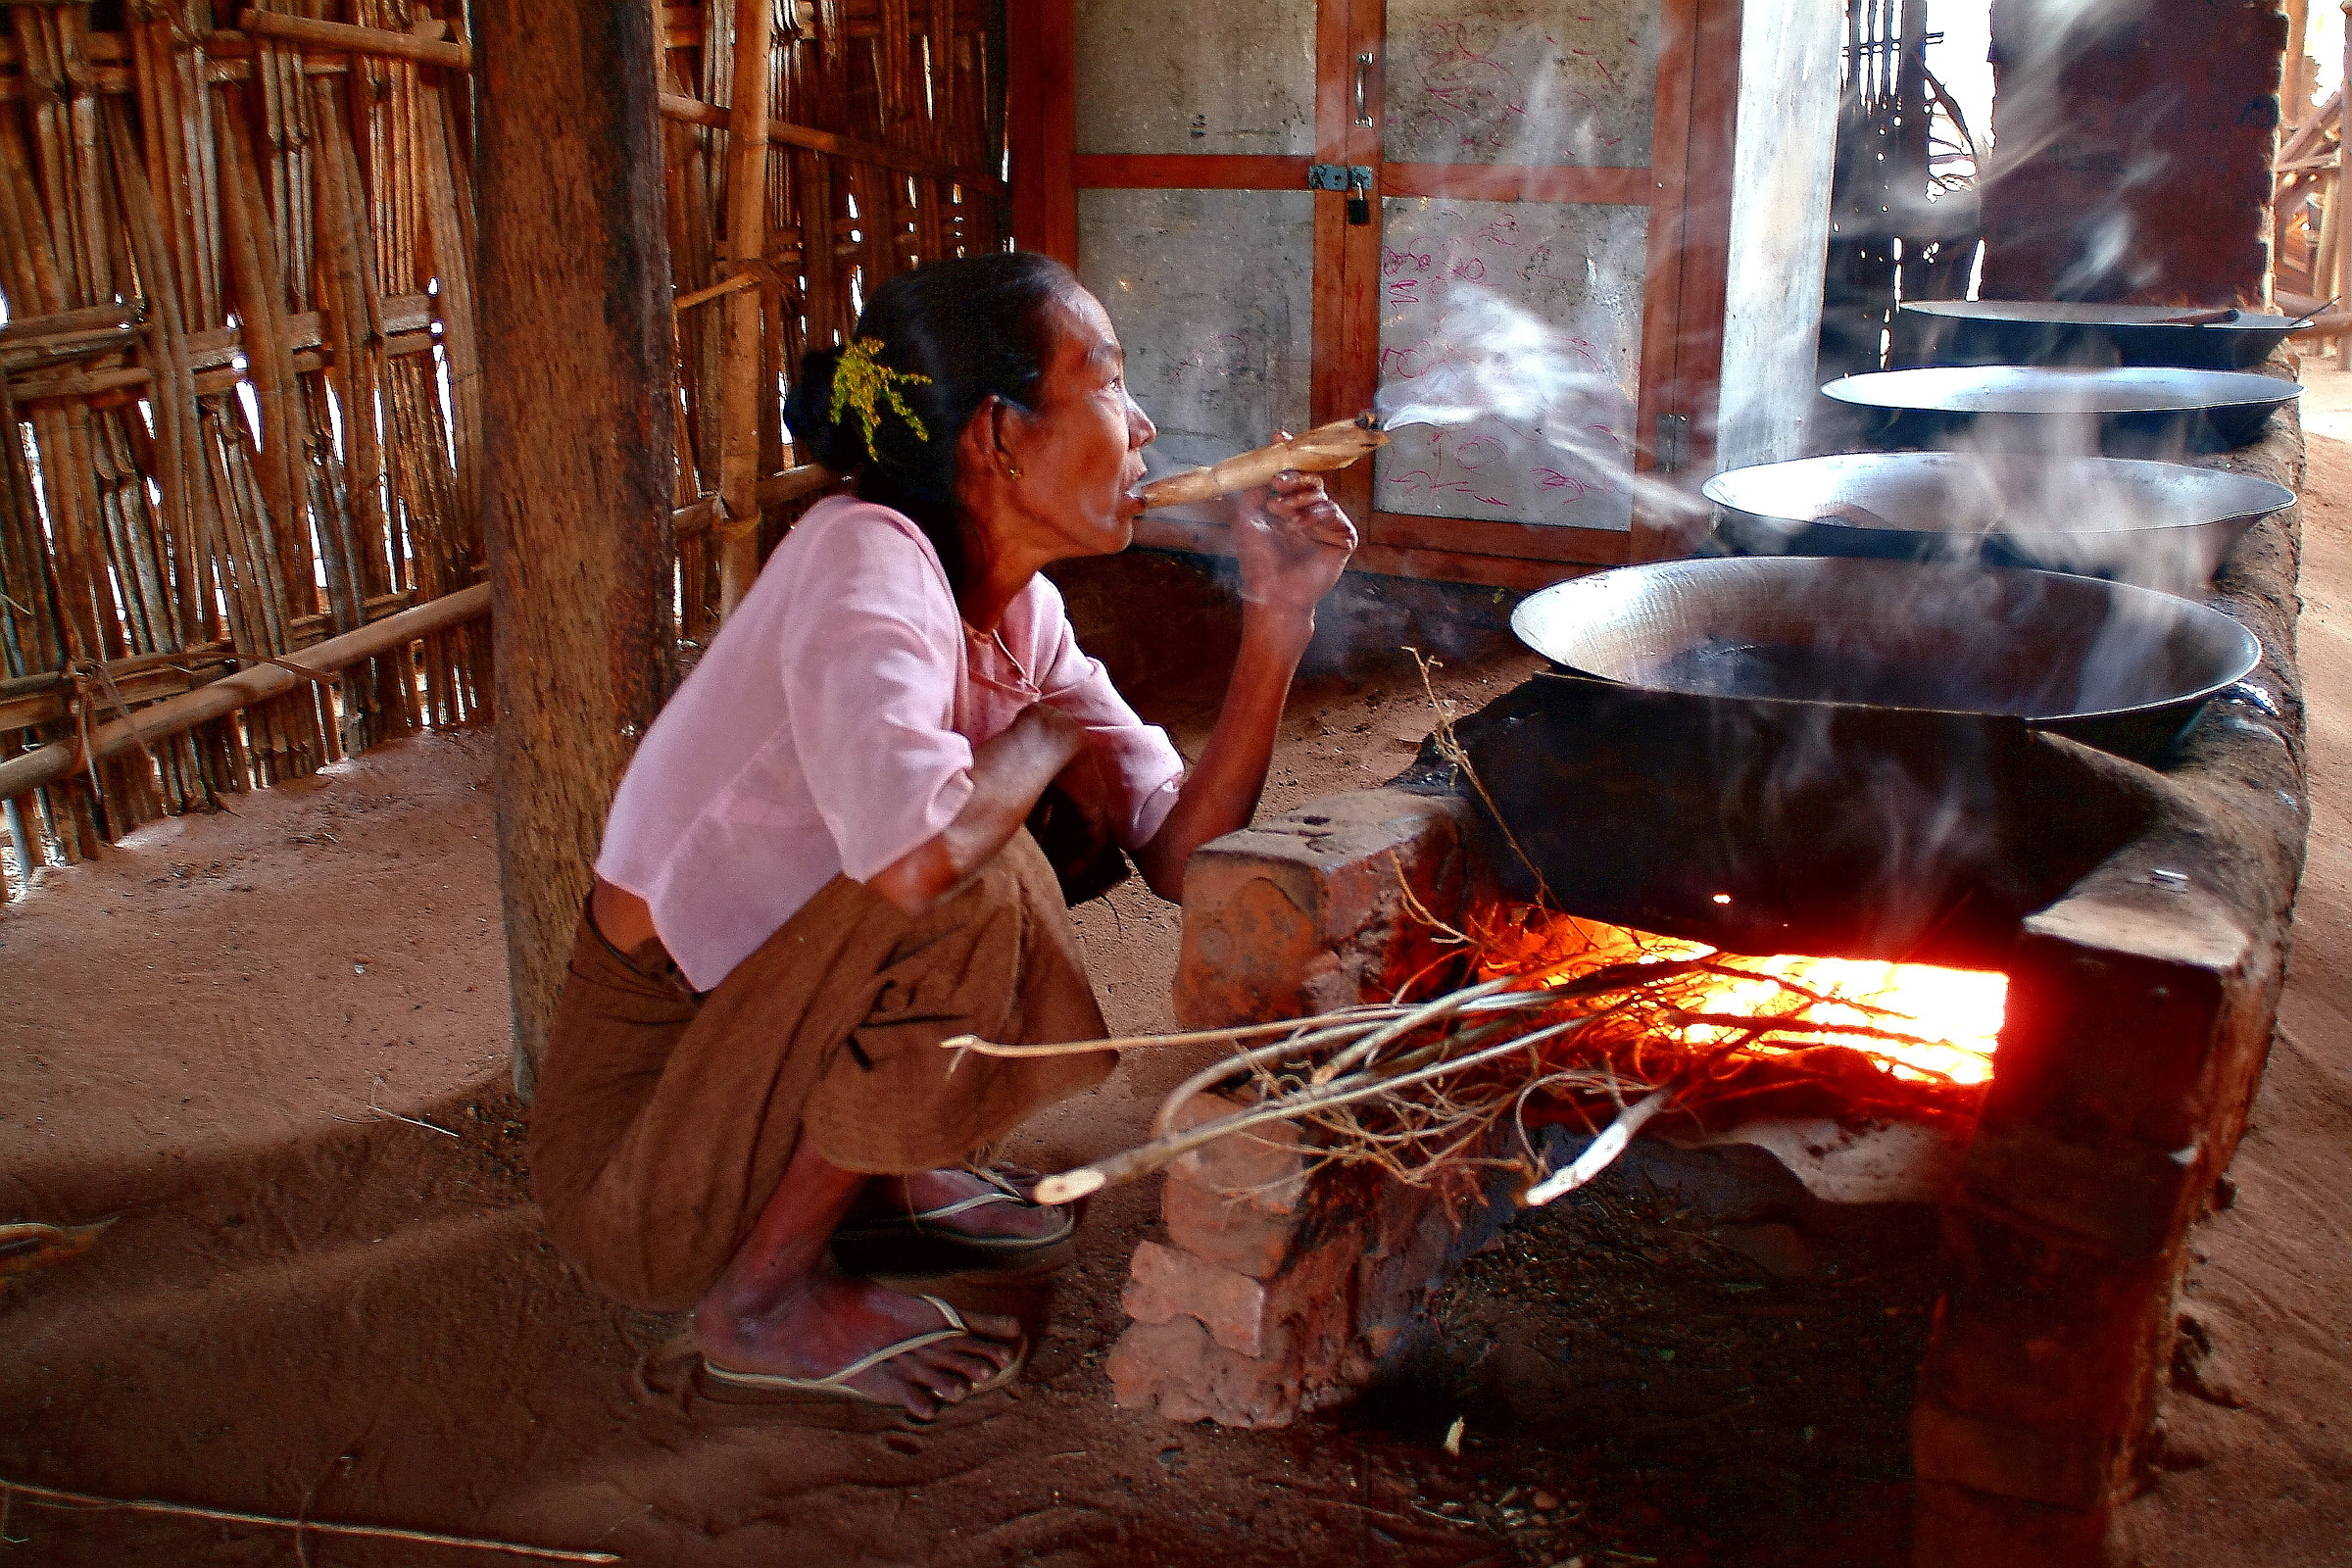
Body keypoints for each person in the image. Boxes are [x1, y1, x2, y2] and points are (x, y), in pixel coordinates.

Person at [526, 251, 1356, 1421]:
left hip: (751, 1053)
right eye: (1108, 383)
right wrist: (1041, 740)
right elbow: (918, 861)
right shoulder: (862, 561)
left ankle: (896, 1173)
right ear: (997, 439)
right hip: (641, 1156)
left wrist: (1279, 617)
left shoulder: (1020, 608)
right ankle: (757, 1302)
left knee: (1012, 822)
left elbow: (1177, 853)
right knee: (981, 870)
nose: (1146, 424)